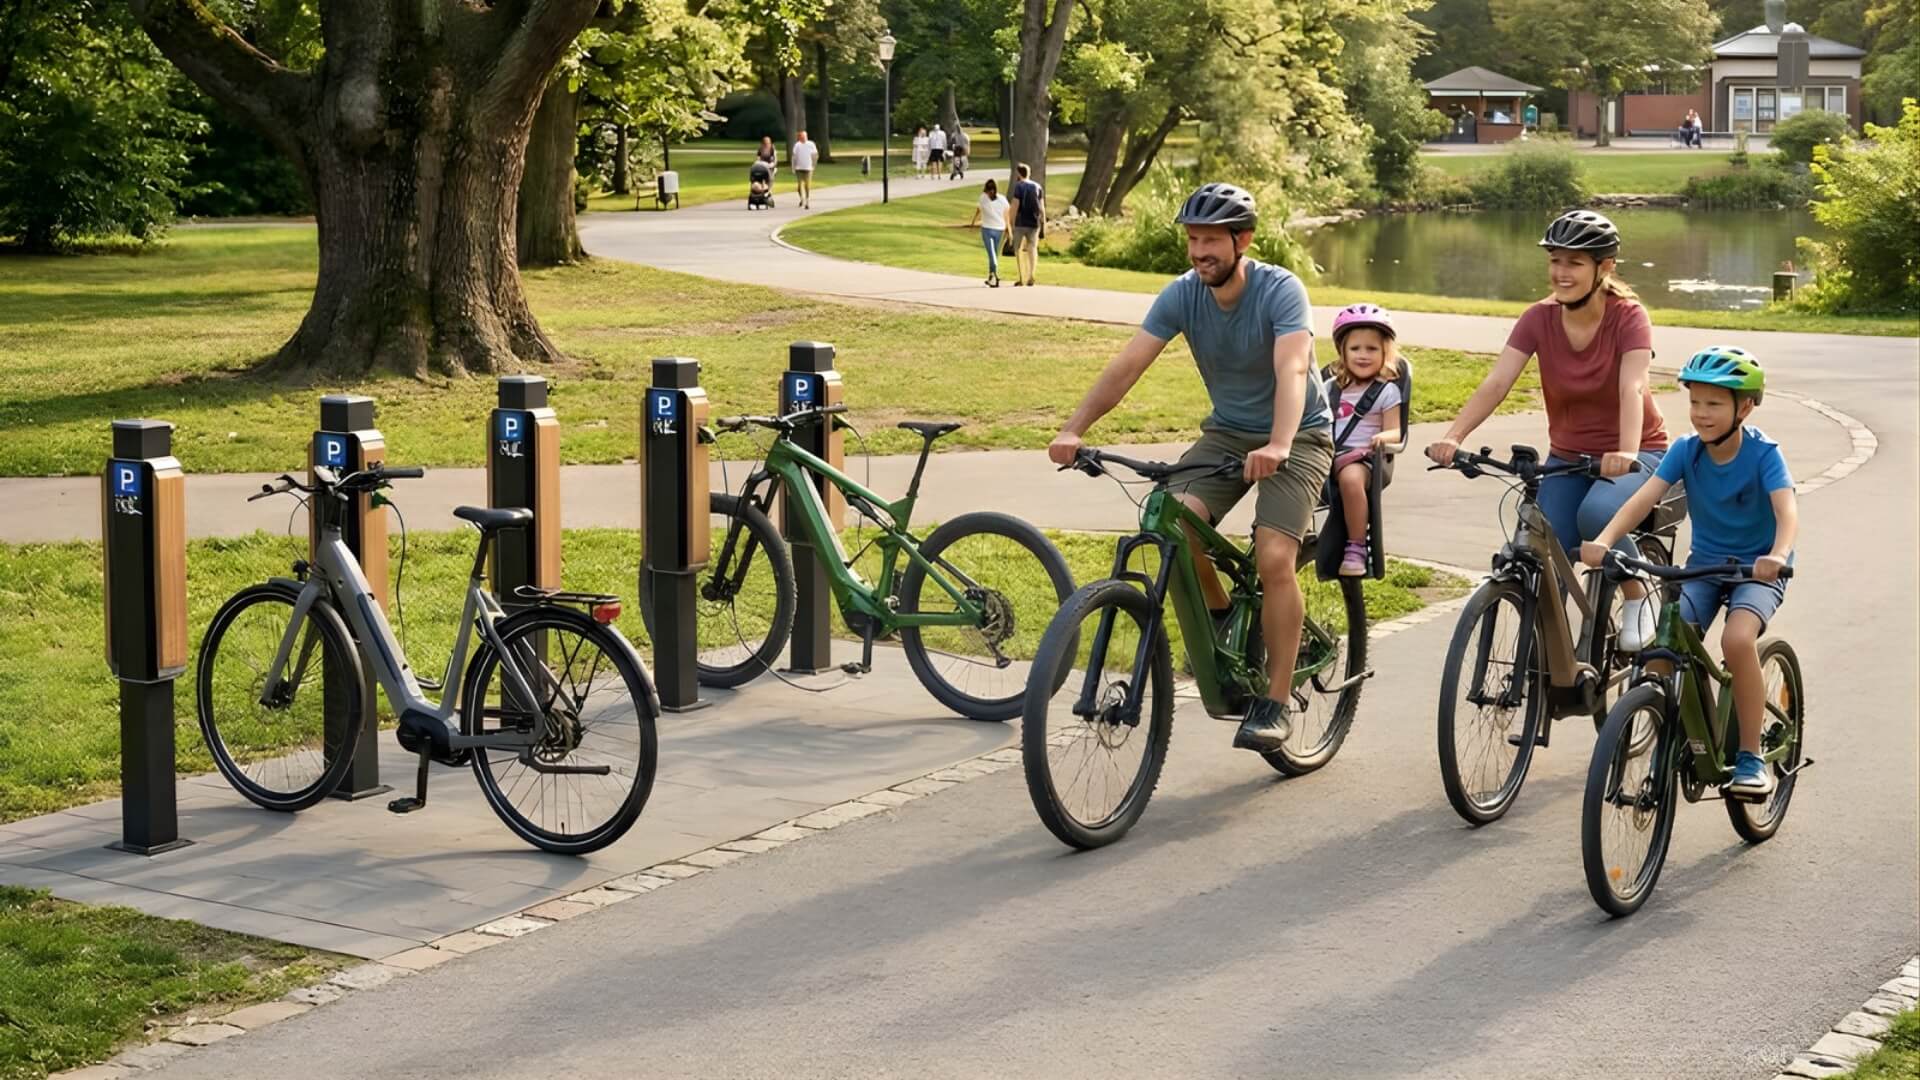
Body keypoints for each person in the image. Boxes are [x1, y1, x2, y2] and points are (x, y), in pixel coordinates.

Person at [1047, 182, 1335, 753]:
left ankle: (1274, 702)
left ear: (1242, 240)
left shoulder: (1281, 290)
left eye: (1211, 240)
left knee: (1275, 553)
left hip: (1298, 432)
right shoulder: (1183, 294)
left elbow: (1293, 371)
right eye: (1192, 239)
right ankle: (1225, 613)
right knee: (1168, 516)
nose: (1199, 251)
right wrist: (1075, 428)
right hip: (1227, 433)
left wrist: (1278, 444)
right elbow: (1129, 363)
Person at [1426, 209, 1669, 647]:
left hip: (1639, 452)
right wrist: (1453, 436)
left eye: (1574, 263)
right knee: (1541, 550)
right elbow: (1498, 382)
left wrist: (1626, 453)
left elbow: (1633, 387)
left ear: (1604, 267)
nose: (1561, 272)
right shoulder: (1538, 317)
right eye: (1555, 260)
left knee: (1596, 514)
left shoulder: (1628, 316)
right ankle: (1545, 671)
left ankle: (1638, 594)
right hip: (1569, 458)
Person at [1581, 346, 1797, 798]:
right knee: (1663, 651)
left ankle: (1751, 756)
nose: (1701, 414)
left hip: (1756, 571)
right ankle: (1680, 731)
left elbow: (1787, 512)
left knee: (1736, 641)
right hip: (1703, 567)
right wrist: (1605, 539)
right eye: (1695, 402)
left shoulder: (1763, 455)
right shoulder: (1685, 450)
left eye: (1714, 404)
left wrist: (1777, 554)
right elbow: (1644, 499)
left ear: (1745, 407)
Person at [1324, 304, 1404, 576]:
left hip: (1366, 459)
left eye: (1372, 349)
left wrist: (1383, 436)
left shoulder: (1386, 391)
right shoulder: (1330, 389)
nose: (1363, 355)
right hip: (1328, 455)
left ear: (1385, 353)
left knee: (1350, 478)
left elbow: (1396, 432)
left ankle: (1357, 546)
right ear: (1343, 352)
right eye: (1355, 348)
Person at [966, 177, 1009, 287]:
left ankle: (994, 275)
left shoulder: (983, 198)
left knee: (992, 254)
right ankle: (992, 276)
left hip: (988, 229)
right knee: (994, 253)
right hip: (1000, 229)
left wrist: (973, 222)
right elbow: (1006, 214)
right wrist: (1009, 228)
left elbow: (978, 210)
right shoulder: (1003, 199)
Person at [1008, 163, 1045, 287]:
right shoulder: (1038, 186)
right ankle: (1031, 275)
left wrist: (1010, 222)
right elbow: (1042, 207)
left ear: (1019, 174)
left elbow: (1015, 205)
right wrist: (1043, 222)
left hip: (1021, 222)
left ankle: (1021, 277)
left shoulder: (1019, 186)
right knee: (1032, 249)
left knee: (1018, 249)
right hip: (1034, 222)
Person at [790, 129, 818, 209]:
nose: (803, 138)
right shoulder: (797, 145)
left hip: (808, 168)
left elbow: (815, 155)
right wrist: (793, 167)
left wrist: (813, 165)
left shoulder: (811, 144)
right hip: (799, 168)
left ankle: (807, 201)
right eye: (801, 136)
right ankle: (802, 199)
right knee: (799, 186)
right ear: (799, 137)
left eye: (804, 136)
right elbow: (794, 157)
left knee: (807, 185)